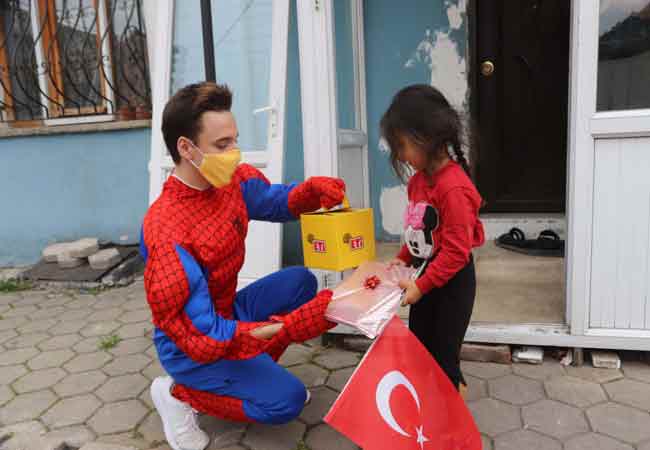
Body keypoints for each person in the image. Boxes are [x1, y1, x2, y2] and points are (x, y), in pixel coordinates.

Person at [140, 81, 345, 450]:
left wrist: (311, 193)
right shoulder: (166, 232)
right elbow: (201, 333)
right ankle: (178, 394)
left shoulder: (229, 182)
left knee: (300, 282)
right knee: (286, 402)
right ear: (186, 148)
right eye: (222, 145)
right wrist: (289, 327)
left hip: (226, 312)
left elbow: (272, 200)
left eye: (235, 140)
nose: (234, 154)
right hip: (192, 345)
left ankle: (251, 373)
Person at [382, 84, 485, 394]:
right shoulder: (418, 182)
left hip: (452, 284)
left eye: (402, 146)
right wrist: (403, 258)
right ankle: (430, 403)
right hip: (425, 277)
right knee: (421, 346)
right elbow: (419, 232)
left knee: (444, 357)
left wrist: (421, 285)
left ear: (427, 137)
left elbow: (455, 253)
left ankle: (451, 410)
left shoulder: (453, 188)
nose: (401, 156)